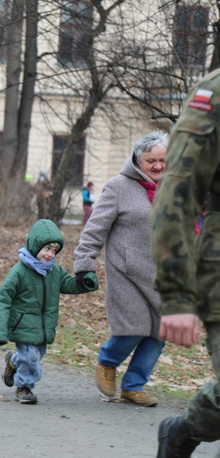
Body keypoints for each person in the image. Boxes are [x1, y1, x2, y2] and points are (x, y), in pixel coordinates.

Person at [152, 70, 220, 456]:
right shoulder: (215, 93)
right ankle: (186, 429)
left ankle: (185, 430)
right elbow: (178, 191)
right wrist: (177, 294)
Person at [73, 131, 168, 407]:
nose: (158, 166)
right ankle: (107, 361)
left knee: (160, 333)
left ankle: (134, 385)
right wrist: (84, 263)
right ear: (138, 160)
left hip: (164, 274)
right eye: (151, 160)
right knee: (132, 327)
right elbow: (95, 228)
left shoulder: (175, 188)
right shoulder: (118, 186)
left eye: (163, 160)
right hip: (127, 271)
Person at [0, 219, 98, 404]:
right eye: (47, 248)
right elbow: (3, 298)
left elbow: (69, 285)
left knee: (34, 356)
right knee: (31, 358)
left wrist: (84, 282)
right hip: (23, 325)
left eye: (54, 250)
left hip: (43, 327)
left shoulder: (54, 271)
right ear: (35, 245)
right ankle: (24, 388)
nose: (50, 254)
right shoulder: (19, 272)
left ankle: (13, 361)